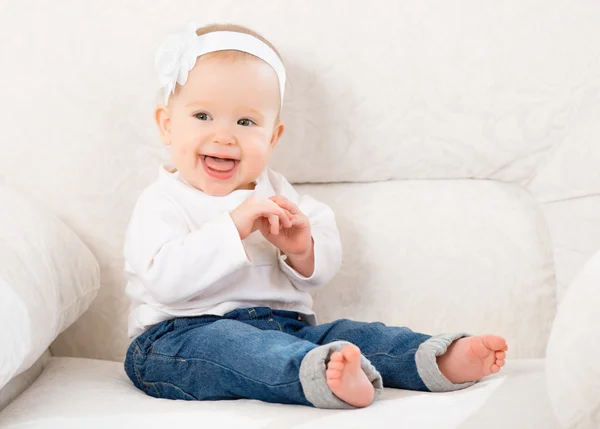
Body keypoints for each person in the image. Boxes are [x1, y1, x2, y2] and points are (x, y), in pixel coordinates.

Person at [123, 23, 508, 409]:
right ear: (167, 125)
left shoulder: (278, 194)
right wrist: (233, 227)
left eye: (246, 122)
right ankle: (318, 375)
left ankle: (432, 358)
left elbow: (321, 268)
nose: (224, 136)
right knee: (236, 346)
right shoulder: (163, 200)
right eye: (203, 115)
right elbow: (163, 281)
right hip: (179, 340)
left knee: (348, 334)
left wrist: (301, 250)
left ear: (273, 137)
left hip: (286, 327)